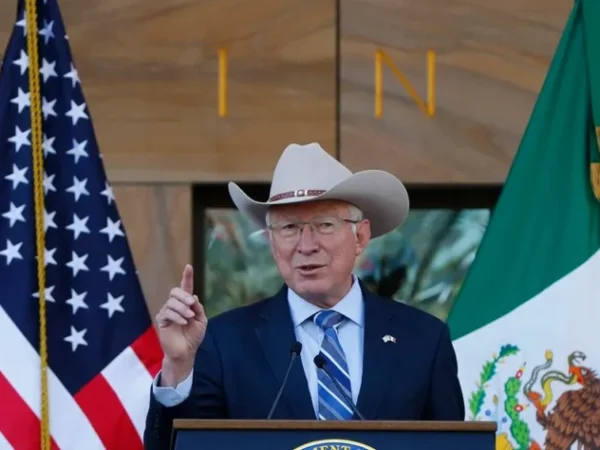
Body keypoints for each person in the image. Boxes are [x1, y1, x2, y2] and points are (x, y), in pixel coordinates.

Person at [143, 143, 465, 449]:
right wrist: (178, 368)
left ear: (360, 236)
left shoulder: (423, 339)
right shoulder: (224, 341)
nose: (306, 245)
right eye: (289, 228)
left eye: (324, 224)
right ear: (271, 243)